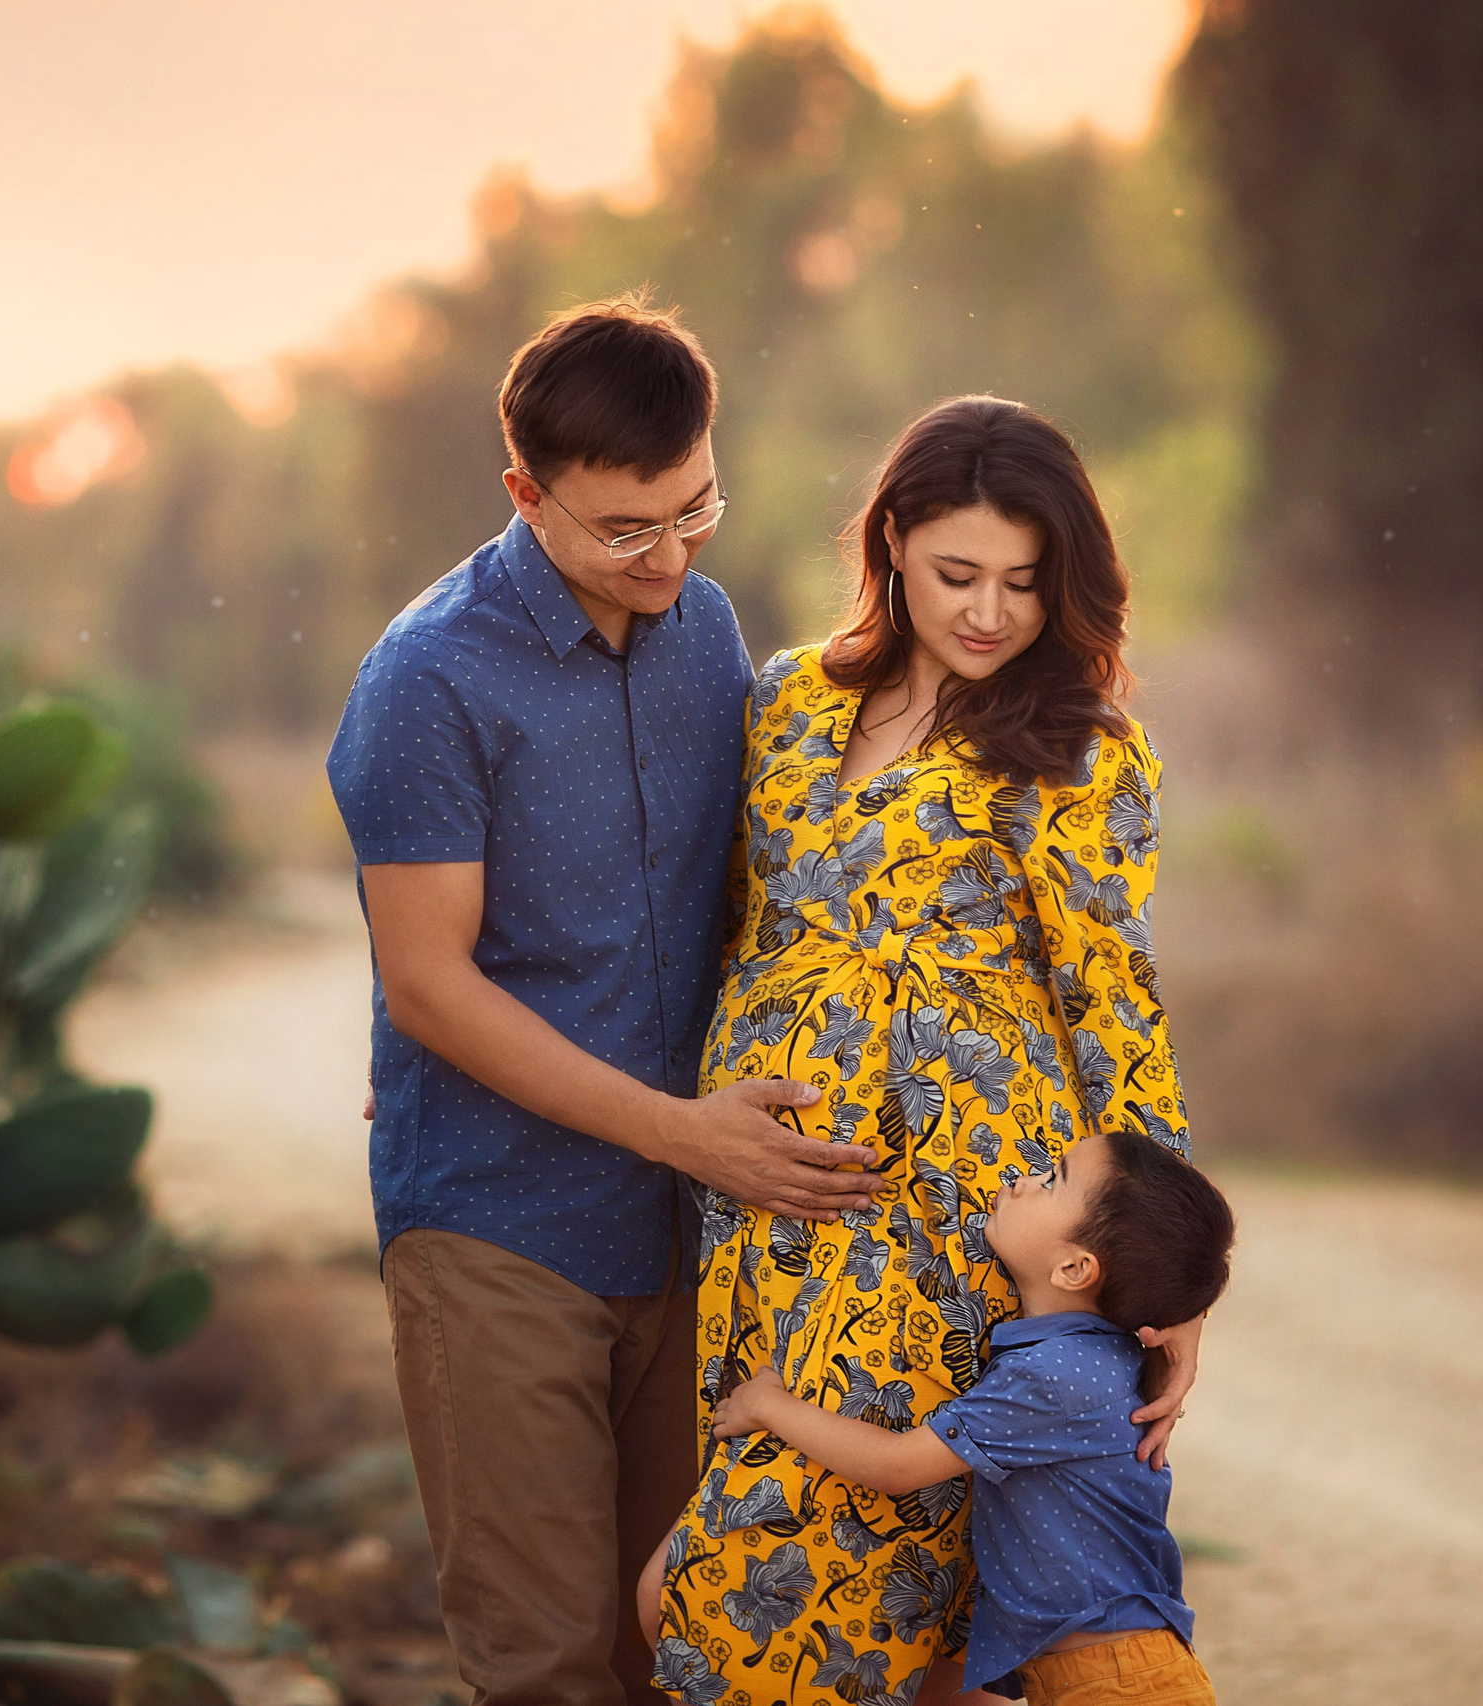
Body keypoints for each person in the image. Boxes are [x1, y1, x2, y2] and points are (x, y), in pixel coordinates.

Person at [327, 295, 896, 1705]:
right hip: (499, 1222)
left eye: (696, 507)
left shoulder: (706, 627)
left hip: (695, 1233)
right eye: (626, 529)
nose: (670, 555)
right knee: (548, 1668)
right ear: (525, 494)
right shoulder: (428, 676)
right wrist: (682, 1130)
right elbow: (427, 982)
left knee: (686, 1647)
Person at [648, 395, 1203, 1703]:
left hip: (954, 1224)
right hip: (768, 1208)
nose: (991, 612)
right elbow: (726, 925)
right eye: (958, 572)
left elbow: (1116, 1001)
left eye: (1024, 580)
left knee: (886, 1580)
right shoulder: (787, 700)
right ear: (891, 540)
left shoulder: (1078, 745)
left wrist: (1167, 1276)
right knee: (732, 1568)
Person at [696, 1130, 1234, 1703]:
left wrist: (770, 1405)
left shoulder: (1055, 1376)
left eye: (1052, 1180)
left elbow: (896, 1466)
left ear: (1075, 1269)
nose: (1022, 1179)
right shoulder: (1098, 1356)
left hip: (1116, 1679)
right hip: (1116, 1667)